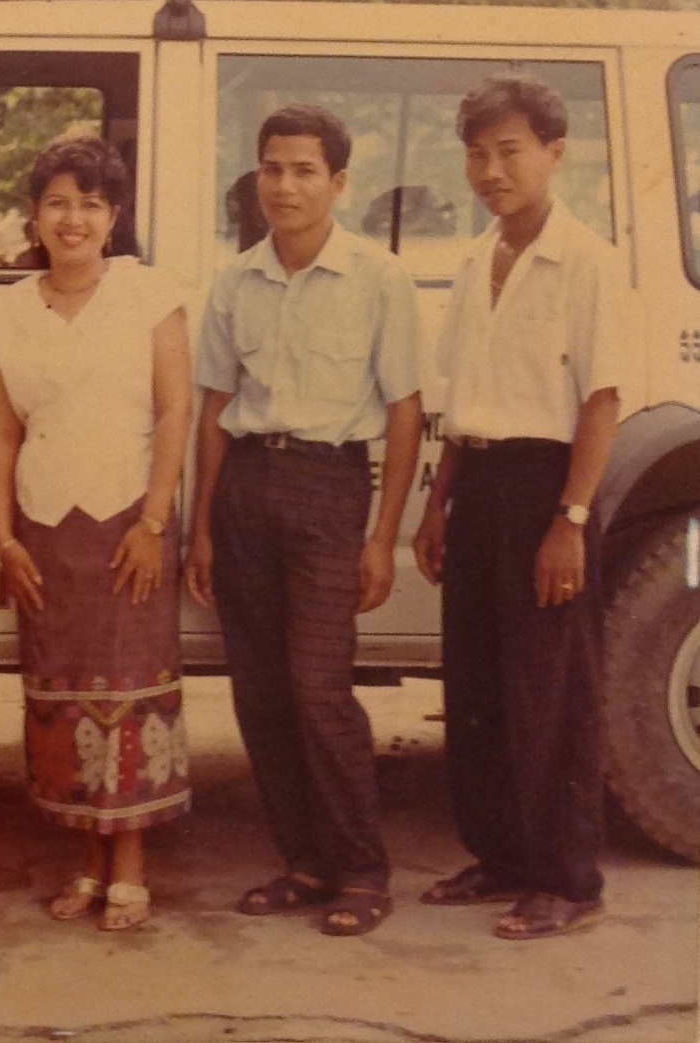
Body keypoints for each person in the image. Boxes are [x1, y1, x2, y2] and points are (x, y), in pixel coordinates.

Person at [187, 104, 423, 937]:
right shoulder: (234, 280)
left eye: (303, 171)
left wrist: (380, 538)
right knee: (258, 693)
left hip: (328, 492)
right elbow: (215, 405)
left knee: (319, 691)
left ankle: (361, 870)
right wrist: (203, 527)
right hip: (245, 486)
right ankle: (306, 861)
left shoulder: (375, 277)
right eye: (271, 169)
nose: (283, 186)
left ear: (338, 183)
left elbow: (403, 412)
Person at [412, 75, 631, 940]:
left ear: (553, 152)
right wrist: (435, 507)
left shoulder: (587, 261)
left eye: (509, 151)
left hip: (548, 486)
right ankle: (500, 854)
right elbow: (464, 397)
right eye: (476, 153)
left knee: (550, 693)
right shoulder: (476, 260)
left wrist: (569, 520)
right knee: (476, 685)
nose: (491, 169)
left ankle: (567, 879)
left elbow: (601, 400)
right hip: (479, 486)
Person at [0, 135, 194, 932]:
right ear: (35, 215)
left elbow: (175, 409)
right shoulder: (9, 307)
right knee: (62, 693)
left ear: (114, 216)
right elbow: (2, 431)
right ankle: (82, 858)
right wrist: (5, 538)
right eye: (57, 202)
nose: (73, 219)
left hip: (124, 523)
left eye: (91, 204)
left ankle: (129, 866)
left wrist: (151, 519)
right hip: (45, 528)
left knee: (126, 694)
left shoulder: (147, 295)